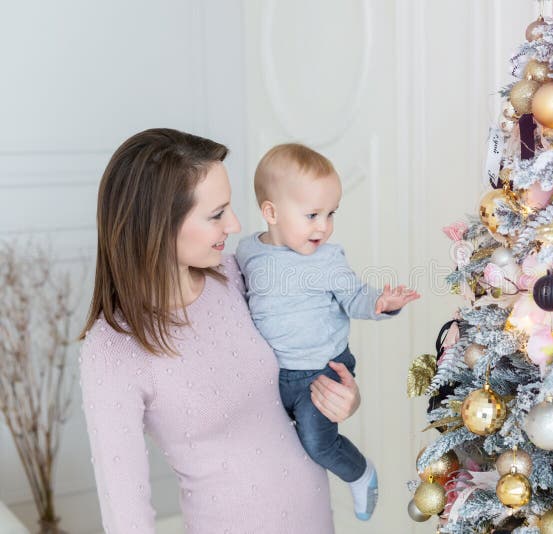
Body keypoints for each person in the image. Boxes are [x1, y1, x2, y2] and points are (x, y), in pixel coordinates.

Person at [78, 128, 360, 533]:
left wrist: (342, 399)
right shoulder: (113, 349)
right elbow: (126, 514)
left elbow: (302, 367)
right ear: (158, 224)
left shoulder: (237, 274)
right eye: (216, 214)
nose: (235, 224)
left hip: (314, 514)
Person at [235, 144, 419, 521]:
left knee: (317, 444)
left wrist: (382, 304)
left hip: (321, 370)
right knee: (274, 447)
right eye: (312, 214)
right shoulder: (247, 252)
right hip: (275, 374)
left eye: (330, 213)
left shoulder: (328, 259)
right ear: (271, 212)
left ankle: (359, 473)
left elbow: (355, 298)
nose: (324, 226)